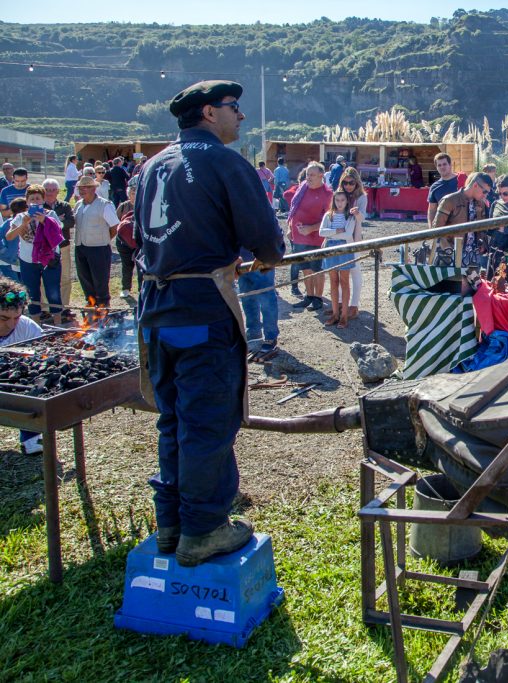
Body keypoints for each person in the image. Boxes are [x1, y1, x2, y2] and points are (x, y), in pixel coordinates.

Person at [135, 79, 285, 566]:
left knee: (173, 417)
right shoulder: (223, 161)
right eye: (233, 108)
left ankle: (171, 523)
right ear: (207, 113)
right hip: (202, 308)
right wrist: (261, 256)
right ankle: (203, 530)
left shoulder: (151, 166)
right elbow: (267, 241)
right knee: (207, 422)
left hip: (156, 311)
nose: (240, 117)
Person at [6, 185, 64, 323]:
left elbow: (58, 233)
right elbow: (9, 236)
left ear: (43, 200)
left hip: (50, 259)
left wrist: (44, 221)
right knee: (32, 293)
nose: (35, 201)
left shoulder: (50, 214)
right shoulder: (21, 217)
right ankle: (36, 324)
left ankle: (58, 322)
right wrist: (23, 224)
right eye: (32, 199)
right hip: (28, 260)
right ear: (27, 201)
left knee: (53, 291)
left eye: (38, 198)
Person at [0, 276, 44, 454]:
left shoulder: (26, 327)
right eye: (3, 318)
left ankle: (31, 436)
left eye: (16, 317)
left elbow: (44, 355)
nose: (11, 324)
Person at [288, 162, 332, 312]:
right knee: (305, 268)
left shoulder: (327, 194)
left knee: (317, 269)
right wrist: (290, 228)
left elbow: (329, 218)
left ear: (321, 176)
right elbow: (293, 210)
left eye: (312, 175)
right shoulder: (302, 188)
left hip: (317, 237)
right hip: (299, 237)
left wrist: (311, 229)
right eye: (307, 174)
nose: (309, 177)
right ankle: (309, 295)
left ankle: (318, 298)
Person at [73, 175, 119, 311]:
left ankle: (104, 307)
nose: (82, 190)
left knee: (100, 280)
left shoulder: (104, 205)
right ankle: (91, 304)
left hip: (99, 248)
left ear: (94, 188)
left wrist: (104, 239)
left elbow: (115, 227)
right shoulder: (78, 205)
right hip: (80, 247)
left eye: (86, 187)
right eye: (80, 188)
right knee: (84, 278)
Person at [319, 189, 361, 327]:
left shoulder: (350, 216)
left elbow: (348, 234)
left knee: (344, 281)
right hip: (330, 250)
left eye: (342, 200)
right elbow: (321, 232)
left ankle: (344, 316)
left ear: (347, 201)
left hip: (344, 250)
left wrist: (330, 234)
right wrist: (336, 231)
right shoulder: (328, 215)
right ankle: (335, 313)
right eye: (337, 200)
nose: (340, 203)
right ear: (333, 201)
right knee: (333, 281)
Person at [433, 172, 489, 267]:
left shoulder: (481, 204)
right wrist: (449, 253)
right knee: (451, 282)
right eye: (485, 191)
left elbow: (483, 229)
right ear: (475, 185)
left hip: (473, 257)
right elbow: (436, 229)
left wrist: (483, 243)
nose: (485, 195)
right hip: (450, 256)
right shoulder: (449, 200)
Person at [41, 179, 76, 320]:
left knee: (65, 277)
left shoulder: (65, 206)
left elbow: (71, 222)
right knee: (43, 279)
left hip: (63, 247)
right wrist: (58, 221)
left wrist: (51, 223)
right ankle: (45, 308)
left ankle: (64, 308)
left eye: (53, 190)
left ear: (57, 191)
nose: (50, 193)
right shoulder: (38, 207)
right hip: (45, 248)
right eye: (47, 190)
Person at [338, 167, 368, 319]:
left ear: (357, 183)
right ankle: (340, 304)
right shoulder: (339, 195)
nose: (348, 186)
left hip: (354, 236)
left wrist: (357, 213)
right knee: (340, 271)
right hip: (339, 237)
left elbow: (363, 219)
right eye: (345, 182)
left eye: (351, 183)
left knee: (355, 270)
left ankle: (354, 305)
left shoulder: (361, 197)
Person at [115, 177, 139, 298]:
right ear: (128, 194)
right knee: (126, 265)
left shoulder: (144, 205)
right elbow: (116, 223)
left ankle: (142, 288)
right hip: (124, 242)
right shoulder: (123, 206)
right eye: (132, 193)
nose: (134, 195)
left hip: (139, 242)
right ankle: (125, 288)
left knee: (141, 266)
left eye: (136, 192)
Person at [427, 152, 458, 228]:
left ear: (450, 165)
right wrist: (431, 229)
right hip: (443, 227)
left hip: (462, 226)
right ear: (436, 168)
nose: (442, 167)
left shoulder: (461, 180)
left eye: (444, 164)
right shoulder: (434, 187)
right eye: (439, 165)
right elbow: (432, 210)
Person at [0, 197, 24, 281]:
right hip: (9, 261)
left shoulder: (30, 223)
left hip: (23, 261)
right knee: (15, 287)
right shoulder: (9, 223)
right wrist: (4, 251)